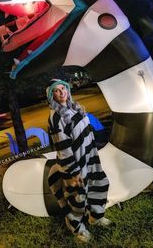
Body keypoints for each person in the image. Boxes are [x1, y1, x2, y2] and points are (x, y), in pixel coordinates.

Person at [46, 79, 110, 243]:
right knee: (78, 198)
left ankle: (95, 217)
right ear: (51, 95)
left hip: (90, 157)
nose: (62, 93)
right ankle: (77, 227)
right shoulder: (55, 117)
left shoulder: (74, 107)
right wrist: (73, 172)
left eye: (63, 88)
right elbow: (63, 148)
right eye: (57, 90)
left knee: (99, 184)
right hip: (75, 164)